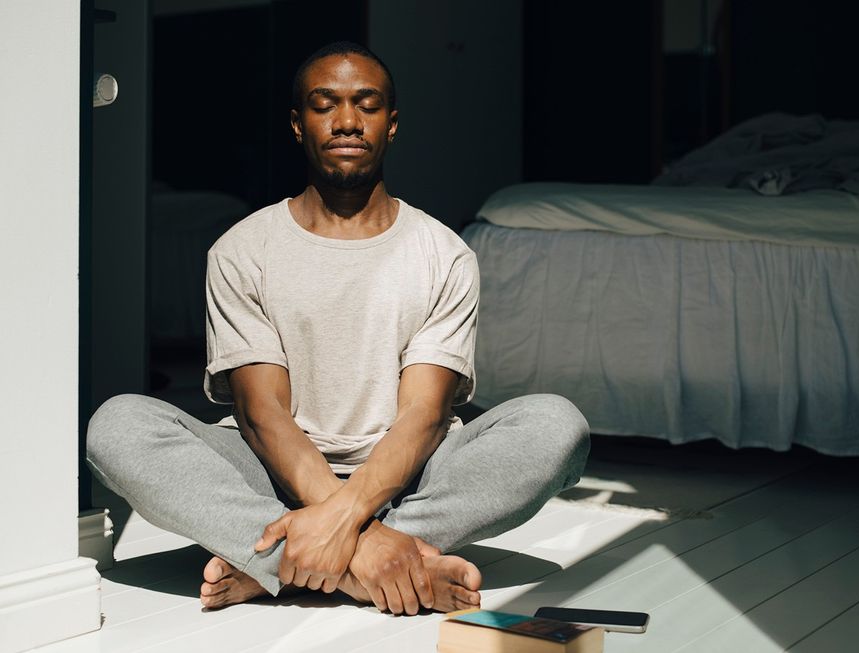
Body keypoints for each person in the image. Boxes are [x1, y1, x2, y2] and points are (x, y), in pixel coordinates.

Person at [86, 41, 590, 615]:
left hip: (409, 475)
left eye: (366, 105)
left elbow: (423, 417)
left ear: (391, 124)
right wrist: (364, 539)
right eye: (325, 105)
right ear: (298, 125)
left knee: (556, 426)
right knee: (119, 425)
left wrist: (346, 516)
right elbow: (262, 414)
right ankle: (373, 566)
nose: (347, 121)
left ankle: (274, 558)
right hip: (271, 470)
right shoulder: (242, 249)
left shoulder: (444, 253)